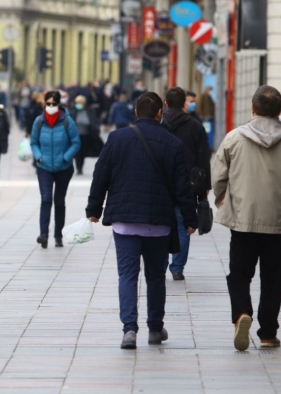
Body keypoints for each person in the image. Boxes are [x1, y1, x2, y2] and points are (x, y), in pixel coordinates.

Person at [86, 92, 198, 349]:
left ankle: (129, 330)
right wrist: (190, 219)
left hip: (125, 222)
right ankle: (155, 329)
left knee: (127, 275)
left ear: (136, 112)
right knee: (156, 276)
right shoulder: (172, 143)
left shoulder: (117, 139)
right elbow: (183, 187)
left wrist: (94, 209)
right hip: (159, 223)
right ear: (160, 113)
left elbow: (100, 175)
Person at [212, 85, 281, 351]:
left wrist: (220, 195)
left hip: (243, 218)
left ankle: (241, 314)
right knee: (272, 277)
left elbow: (218, 174)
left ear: (253, 108)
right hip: (277, 221)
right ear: (278, 111)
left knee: (239, 274)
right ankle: (268, 333)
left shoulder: (234, 138)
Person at [162, 87, 212, 281]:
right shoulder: (195, 126)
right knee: (183, 225)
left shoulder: (160, 123)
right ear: (184, 103)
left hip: (163, 182)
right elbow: (203, 157)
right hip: (188, 183)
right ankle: (177, 268)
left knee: (162, 224)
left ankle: (161, 263)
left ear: (165, 103)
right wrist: (205, 184)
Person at [30, 90, 81, 248]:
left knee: (59, 201)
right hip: (44, 166)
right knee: (46, 199)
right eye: (48, 103)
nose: (50, 106)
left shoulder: (67, 121)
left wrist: (66, 157)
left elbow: (76, 142)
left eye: (54, 104)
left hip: (63, 168)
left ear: (59, 104)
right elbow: (34, 142)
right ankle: (43, 234)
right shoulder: (39, 121)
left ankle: (58, 235)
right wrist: (39, 156)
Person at [69, 95, 101, 175]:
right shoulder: (72, 112)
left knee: (83, 152)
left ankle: (81, 167)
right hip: (75, 136)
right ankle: (78, 168)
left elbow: (93, 122)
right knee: (77, 153)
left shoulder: (89, 112)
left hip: (86, 135)